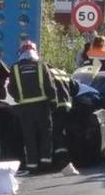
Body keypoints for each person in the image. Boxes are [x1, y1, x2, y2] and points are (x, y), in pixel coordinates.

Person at [7, 40, 57, 172]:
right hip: (42, 107)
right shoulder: (42, 66)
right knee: (45, 135)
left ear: (21, 52)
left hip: (24, 109)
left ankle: (32, 166)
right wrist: (53, 103)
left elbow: (10, 88)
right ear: (35, 51)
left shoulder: (15, 68)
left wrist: (18, 98)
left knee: (29, 137)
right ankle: (45, 164)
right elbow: (50, 86)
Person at [48, 65, 80, 175]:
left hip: (56, 107)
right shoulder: (62, 72)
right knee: (63, 132)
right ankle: (67, 156)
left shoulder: (48, 73)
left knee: (57, 133)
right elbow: (75, 88)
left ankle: (61, 158)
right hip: (67, 105)